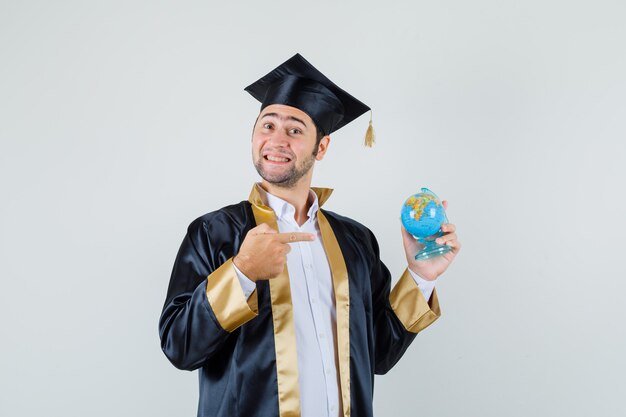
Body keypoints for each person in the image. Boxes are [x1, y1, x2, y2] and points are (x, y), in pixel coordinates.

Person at [159, 53, 461, 417]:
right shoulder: (215, 233)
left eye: (295, 129)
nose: (276, 140)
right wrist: (241, 272)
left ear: (321, 147)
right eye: (267, 125)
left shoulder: (354, 241)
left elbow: (378, 353)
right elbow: (180, 348)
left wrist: (420, 277)